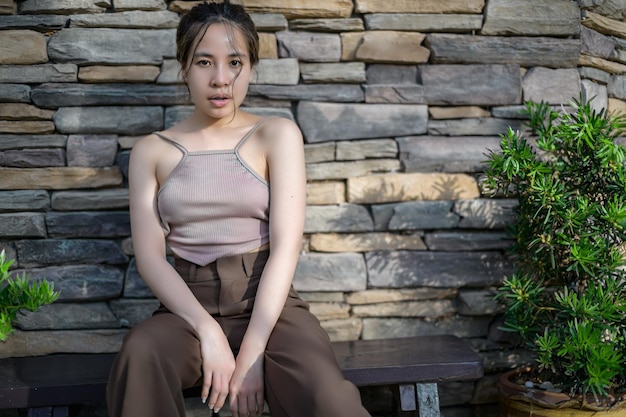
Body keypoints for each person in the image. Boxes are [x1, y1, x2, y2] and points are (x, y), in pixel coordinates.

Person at [106, 2, 372, 417]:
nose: (220, 80)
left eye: (235, 62)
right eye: (204, 62)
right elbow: (152, 260)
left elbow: (285, 247)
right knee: (140, 354)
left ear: (251, 68)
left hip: (270, 305)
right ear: (183, 66)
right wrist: (208, 331)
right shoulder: (151, 151)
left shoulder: (275, 134)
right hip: (187, 308)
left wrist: (252, 350)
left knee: (329, 400)